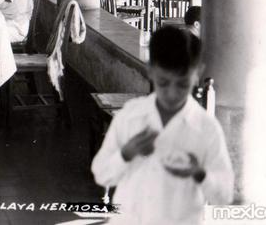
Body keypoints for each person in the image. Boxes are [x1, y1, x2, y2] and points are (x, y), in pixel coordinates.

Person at [91, 26, 234, 224]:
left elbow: (224, 196)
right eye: (163, 83)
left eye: (183, 84)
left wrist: (199, 173)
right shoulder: (131, 116)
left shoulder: (206, 128)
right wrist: (126, 153)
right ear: (150, 70)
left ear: (197, 74)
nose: (172, 94)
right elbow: (101, 174)